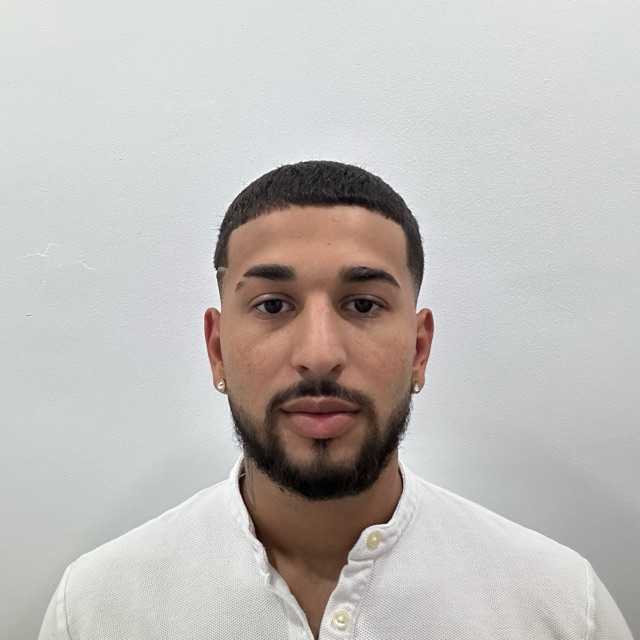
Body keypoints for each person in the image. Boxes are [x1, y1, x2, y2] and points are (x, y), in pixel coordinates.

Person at [38, 160, 634, 640]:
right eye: (273, 305)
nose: (319, 354)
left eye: (363, 305)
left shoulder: (559, 606)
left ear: (419, 349)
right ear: (217, 350)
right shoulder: (96, 609)